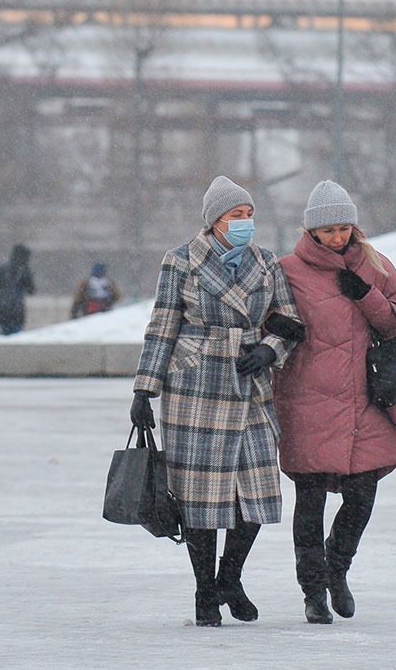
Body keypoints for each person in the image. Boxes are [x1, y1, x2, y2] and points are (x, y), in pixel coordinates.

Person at [129, 175, 305, 627]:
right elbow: (163, 324)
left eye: (249, 215)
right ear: (214, 222)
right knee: (201, 499)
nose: (245, 223)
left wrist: (271, 349)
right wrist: (144, 389)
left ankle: (230, 576)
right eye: (236, 216)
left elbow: (288, 317)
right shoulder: (182, 260)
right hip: (196, 388)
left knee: (257, 490)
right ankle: (204, 592)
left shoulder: (266, 262)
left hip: (251, 386)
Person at [273, 180, 396, 624]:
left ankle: (338, 569)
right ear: (310, 231)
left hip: (367, 398)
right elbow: (268, 321)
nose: (338, 238)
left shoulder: (375, 264)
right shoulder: (286, 271)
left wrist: (365, 294)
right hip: (307, 399)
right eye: (328, 230)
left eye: (344, 228)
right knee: (309, 500)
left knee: (361, 496)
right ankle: (313, 591)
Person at [0, 244, 35, 335]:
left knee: (5, 334)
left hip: (2, 310)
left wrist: (2, 292)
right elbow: (31, 290)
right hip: (17, 311)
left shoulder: (2, 269)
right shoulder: (24, 271)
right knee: (15, 336)